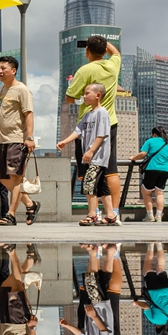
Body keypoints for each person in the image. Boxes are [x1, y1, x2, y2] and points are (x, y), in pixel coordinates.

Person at [65, 35, 123, 218]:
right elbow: (116, 52)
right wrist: (104, 42)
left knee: (86, 169)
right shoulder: (113, 66)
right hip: (110, 123)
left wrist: (82, 98)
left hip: (88, 125)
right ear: (105, 50)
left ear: (86, 51)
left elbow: (69, 97)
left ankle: (93, 210)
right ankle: (113, 211)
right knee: (110, 169)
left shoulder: (85, 70)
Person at [57, 83, 117, 225]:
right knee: (102, 186)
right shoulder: (88, 114)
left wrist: (90, 151)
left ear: (98, 95)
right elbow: (78, 131)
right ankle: (110, 215)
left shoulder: (102, 112)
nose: (84, 96)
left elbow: (102, 135)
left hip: (97, 157)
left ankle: (92, 214)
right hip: (91, 157)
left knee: (88, 184)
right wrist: (65, 141)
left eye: (87, 93)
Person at [0, 57, 38, 226]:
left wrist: (29, 137)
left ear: (13, 70)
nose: (0, 72)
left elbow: (28, 114)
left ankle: (11, 214)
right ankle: (30, 204)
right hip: (2, 140)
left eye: (4, 68)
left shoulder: (21, 90)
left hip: (17, 139)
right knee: (2, 178)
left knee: (15, 178)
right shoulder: (0, 91)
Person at [130, 127, 168, 222]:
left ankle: (150, 216)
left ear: (154, 134)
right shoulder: (167, 144)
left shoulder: (150, 141)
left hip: (151, 169)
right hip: (164, 170)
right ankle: (159, 216)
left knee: (146, 192)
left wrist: (133, 158)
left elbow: (143, 154)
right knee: (160, 193)